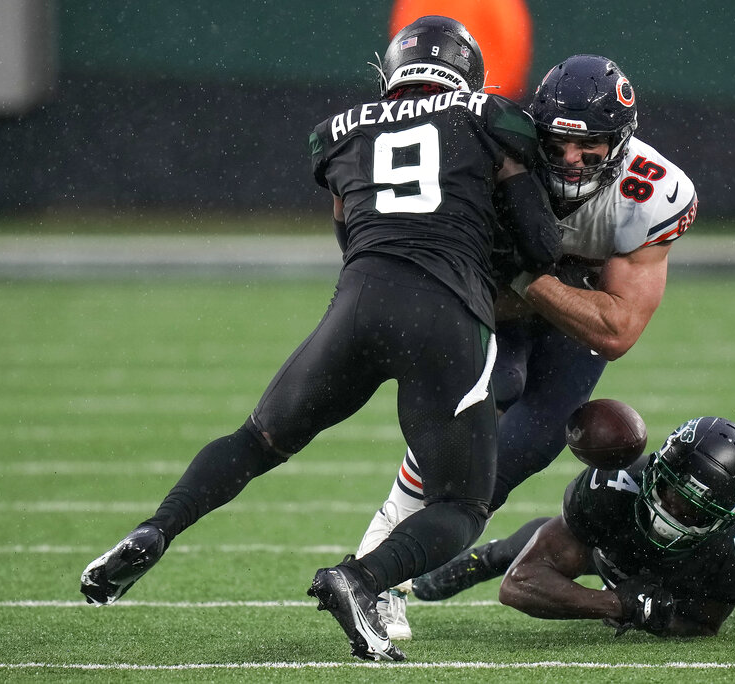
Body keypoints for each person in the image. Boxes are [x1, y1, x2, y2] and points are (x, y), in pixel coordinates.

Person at [78, 15, 561, 663]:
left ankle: (156, 528)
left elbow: (348, 233)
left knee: (255, 440)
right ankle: (359, 579)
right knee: (462, 503)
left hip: (358, 304)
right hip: (446, 312)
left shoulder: (338, 132)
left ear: (392, 72)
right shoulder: (491, 117)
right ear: (468, 75)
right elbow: (541, 246)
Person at [354, 54, 700, 640]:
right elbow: (453, 288)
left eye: (589, 146)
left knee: (523, 450)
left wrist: (529, 277)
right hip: (489, 303)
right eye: (557, 143)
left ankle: (393, 568)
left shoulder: (652, 193)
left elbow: (615, 332)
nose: (569, 160)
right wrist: (534, 283)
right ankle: (375, 573)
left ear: (621, 141)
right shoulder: (491, 157)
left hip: (562, 315)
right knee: (483, 404)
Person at [415, 416, 735, 638]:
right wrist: (616, 605)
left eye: (692, 509)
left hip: (678, 577)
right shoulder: (616, 485)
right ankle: (488, 556)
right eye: (669, 488)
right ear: (656, 469)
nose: (672, 509)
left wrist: (659, 616)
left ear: (725, 516)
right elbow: (520, 584)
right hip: (612, 550)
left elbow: (703, 624)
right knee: (547, 550)